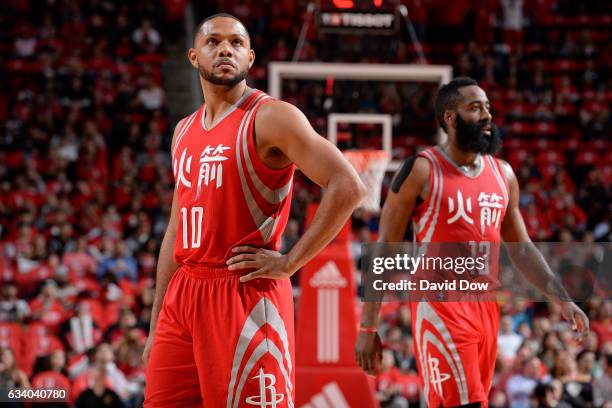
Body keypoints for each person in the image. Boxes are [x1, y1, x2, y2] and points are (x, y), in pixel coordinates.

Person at [142, 13, 366, 407]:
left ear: (250, 58)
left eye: (236, 43)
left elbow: (348, 185)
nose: (225, 49)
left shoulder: (271, 117)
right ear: (194, 57)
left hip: (242, 293)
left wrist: (290, 262)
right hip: (183, 297)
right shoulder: (183, 130)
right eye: (214, 42)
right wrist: (158, 317)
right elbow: (176, 229)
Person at [356, 77, 589, 407]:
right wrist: (368, 327)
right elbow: (385, 248)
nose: (486, 116)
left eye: (488, 108)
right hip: (440, 305)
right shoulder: (421, 170)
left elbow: (521, 248)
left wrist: (562, 299)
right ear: (450, 118)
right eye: (475, 107)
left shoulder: (503, 174)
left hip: (485, 306)